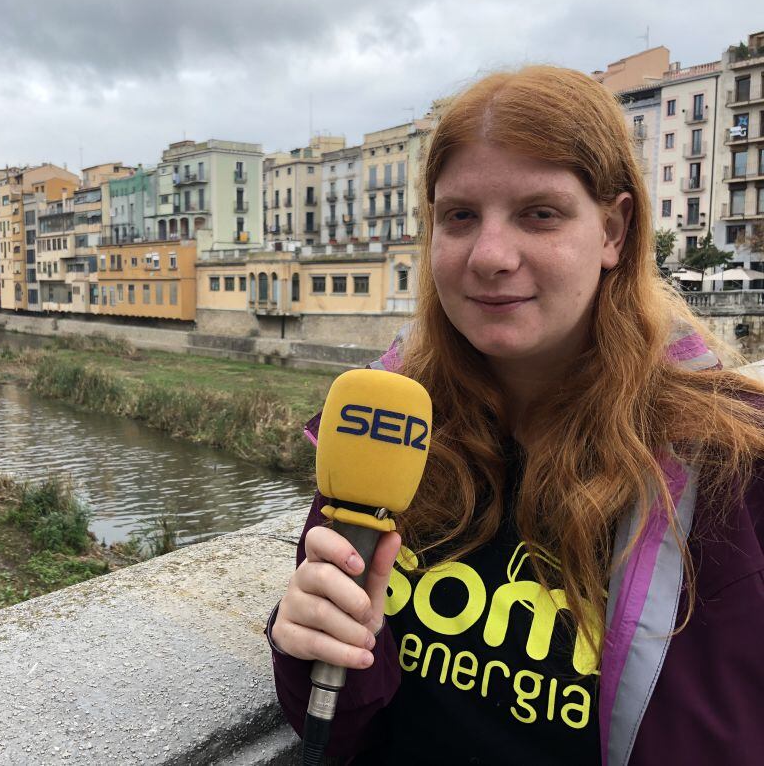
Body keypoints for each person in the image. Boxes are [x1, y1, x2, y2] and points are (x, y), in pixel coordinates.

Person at [266, 65, 764, 765]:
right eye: (460, 216)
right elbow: (337, 726)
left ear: (615, 230)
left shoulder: (730, 467)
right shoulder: (387, 420)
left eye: (540, 213)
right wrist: (309, 640)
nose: (490, 256)